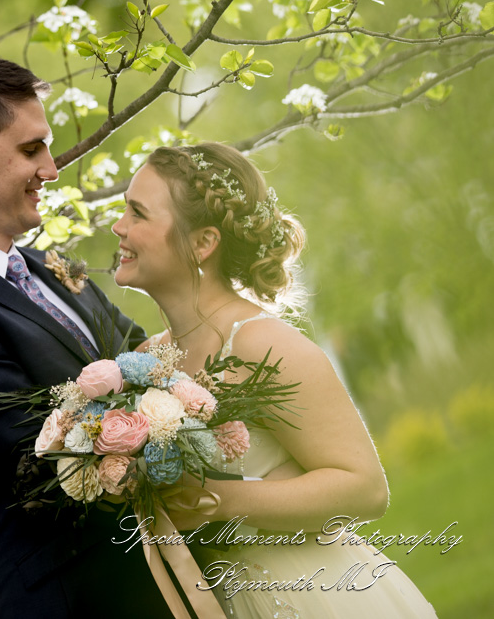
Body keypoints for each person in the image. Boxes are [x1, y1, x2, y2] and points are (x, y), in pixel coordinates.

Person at [0, 56, 183, 618]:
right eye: (31, 149)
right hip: (65, 596)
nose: (51, 167)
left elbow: (155, 361)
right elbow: (40, 455)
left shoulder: (51, 264)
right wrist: (169, 404)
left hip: (145, 573)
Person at [109, 142, 437, 617]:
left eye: (138, 213)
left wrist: (213, 501)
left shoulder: (262, 344)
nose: (119, 226)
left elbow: (366, 489)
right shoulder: (146, 361)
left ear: (203, 243)